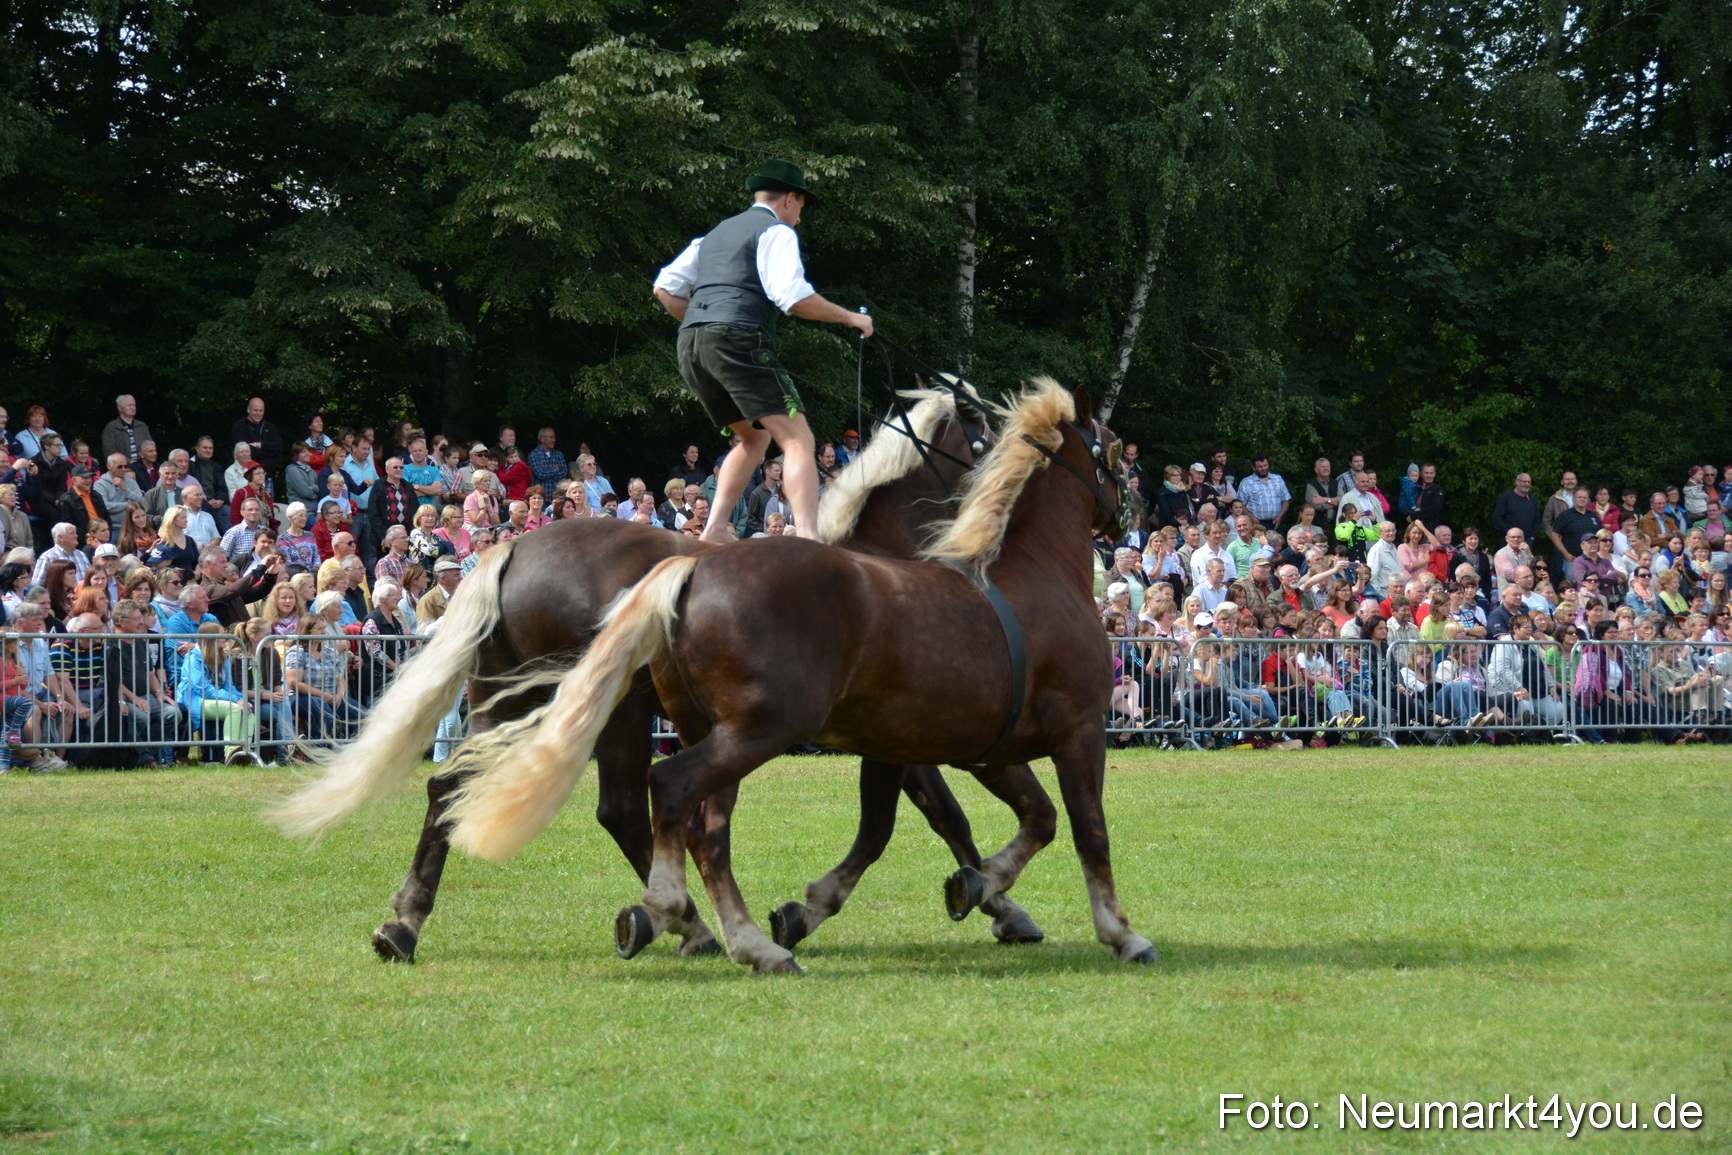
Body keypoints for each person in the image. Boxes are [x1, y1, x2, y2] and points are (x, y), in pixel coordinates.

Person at [653, 159, 872, 542]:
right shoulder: (776, 232)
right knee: (797, 439)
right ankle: (808, 538)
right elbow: (792, 297)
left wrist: (708, 323)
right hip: (739, 339)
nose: (800, 219)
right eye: (801, 208)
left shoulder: (713, 236)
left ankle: (714, 530)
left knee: (754, 439)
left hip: (690, 345)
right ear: (790, 199)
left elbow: (664, 288)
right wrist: (849, 317)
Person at [230, 396, 284, 477]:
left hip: (267, 475)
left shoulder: (269, 426)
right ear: (248, 410)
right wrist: (269, 453)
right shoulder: (239, 426)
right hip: (246, 475)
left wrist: (261, 445)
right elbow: (244, 451)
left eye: (261, 410)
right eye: (255, 410)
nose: (258, 413)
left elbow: (280, 447)